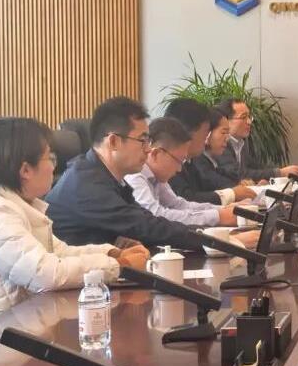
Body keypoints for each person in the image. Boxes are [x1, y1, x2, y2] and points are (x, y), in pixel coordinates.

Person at [0, 117, 149, 329]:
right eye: (50, 158)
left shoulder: (15, 203)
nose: (55, 166)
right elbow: (45, 274)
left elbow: (58, 252)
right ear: (25, 170)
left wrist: (111, 253)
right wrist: (120, 266)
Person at [46, 96, 212, 250]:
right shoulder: (86, 184)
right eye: (142, 140)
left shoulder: (108, 177)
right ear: (113, 141)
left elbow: (144, 220)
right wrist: (213, 241)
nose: (148, 149)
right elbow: (145, 227)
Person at [124, 117, 259, 248]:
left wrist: (222, 210)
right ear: (155, 154)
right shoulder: (135, 176)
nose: (179, 169)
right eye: (178, 161)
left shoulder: (157, 176)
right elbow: (157, 215)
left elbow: (178, 204)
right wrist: (218, 217)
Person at [164, 98, 256, 205]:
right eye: (205, 132)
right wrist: (231, 194)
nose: (206, 138)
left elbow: (201, 192)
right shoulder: (169, 163)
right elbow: (186, 200)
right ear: (188, 132)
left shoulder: (189, 162)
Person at [215, 97, 298, 182]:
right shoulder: (219, 144)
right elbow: (237, 174)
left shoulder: (241, 142)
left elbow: (255, 166)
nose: (249, 122)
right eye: (243, 117)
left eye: (249, 117)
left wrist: (283, 171)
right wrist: (279, 173)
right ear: (225, 120)